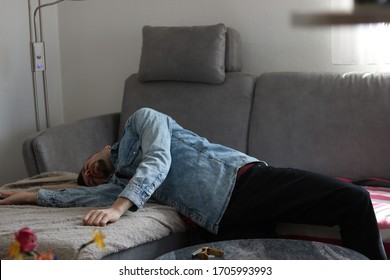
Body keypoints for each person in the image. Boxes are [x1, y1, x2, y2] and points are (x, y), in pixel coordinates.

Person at [0, 108, 386, 260]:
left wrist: (119, 208)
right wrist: (28, 195)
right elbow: (75, 196)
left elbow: (158, 160)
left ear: (101, 149)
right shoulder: (118, 183)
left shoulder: (142, 121)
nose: (90, 176)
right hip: (223, 219)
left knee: (353, 199)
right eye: (87, 179)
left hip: (248, 182)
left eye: (88, 168)